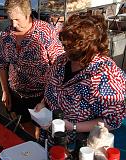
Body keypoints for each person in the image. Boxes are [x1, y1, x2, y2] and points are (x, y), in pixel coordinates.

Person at [35, 13, 126, 141]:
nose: (64, 48)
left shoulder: (105, 76)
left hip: (77, 143)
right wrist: (43, 104)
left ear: (89, 48)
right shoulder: (62, 60)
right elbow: (52, 87)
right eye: (65, 44)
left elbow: (112, 121)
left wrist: (73, 126)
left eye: (70, 47)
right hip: (50, 134)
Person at [0, 0, 64, 137]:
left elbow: (59, 64)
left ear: (28, 13)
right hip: (16, 93)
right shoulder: (6, 34)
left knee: (42, 131)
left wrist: (46, 98)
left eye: (17, 19)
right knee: (24, 131)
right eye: (11, 20)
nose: (14, 24)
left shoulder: (45, 31)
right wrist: (5, 91)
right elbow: (1, 63)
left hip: (41, 95)